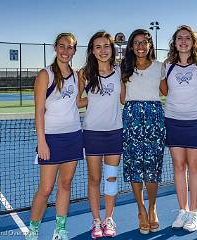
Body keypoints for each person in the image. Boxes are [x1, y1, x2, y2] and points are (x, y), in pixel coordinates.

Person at [26, 32, 83, 240]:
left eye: (70, 47)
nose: (65, 51)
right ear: (55, 48)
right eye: (62, 46)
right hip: (50, 139)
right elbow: (39, 110)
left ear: (75, 51)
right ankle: (33, 230)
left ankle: (60, 229)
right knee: (46, 188)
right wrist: (42, 141)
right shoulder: (45, 75)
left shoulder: (78, 76)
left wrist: (102, 98)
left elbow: (77, 103)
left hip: (74, 137)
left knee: (65, 185)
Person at [163, 25, 197, 232]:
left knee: (194, 167)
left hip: (196, 121)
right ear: (175, 42)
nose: (183, 41)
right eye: (179, 38)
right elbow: (163, 90)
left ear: (193, 42)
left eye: (187, 38)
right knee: (178, 166)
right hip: (173, 121)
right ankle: (182, 211)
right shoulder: (167, 65)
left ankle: (194, 212)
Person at [120, 29, 166, 235]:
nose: (140, 46)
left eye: (144, 42)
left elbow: (167, 91)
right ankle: (140, 209)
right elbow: (122, 99)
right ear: (131, 47)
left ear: (149, 45)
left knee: (153, 167)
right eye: (136, 43)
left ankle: (152, 208)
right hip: (132, 117)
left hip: (155, 118)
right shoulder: (124, 68)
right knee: (135, 166)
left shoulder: (160, 67)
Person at [77, 31, 122, 238]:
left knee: (111, 179)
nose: (103, 50)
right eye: (98, 47)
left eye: (106, 46)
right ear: (92, 51)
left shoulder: (121, 72)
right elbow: (78, 101)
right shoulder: (84, 74)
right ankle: (96, 221)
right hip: (92, 134)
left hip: (114, 133)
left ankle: (109, 218)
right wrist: (93, 100)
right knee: (94, 179)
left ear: (112, 49)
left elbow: (123, 99)